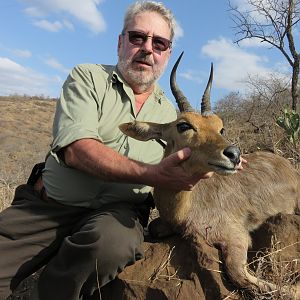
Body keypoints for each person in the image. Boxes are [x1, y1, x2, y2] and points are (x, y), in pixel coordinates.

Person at [0, 1, 244, 300]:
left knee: (113, 244)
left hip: (116, 216)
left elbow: (192, 161)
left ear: (167, 53)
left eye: (159, 43)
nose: (147, 49)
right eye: (137, 37)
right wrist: (150, 173)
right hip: (50, 206)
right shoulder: (88, 77)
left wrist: (221, 161)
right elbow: (77, 151)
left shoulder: (170, 115)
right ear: (121, 42)